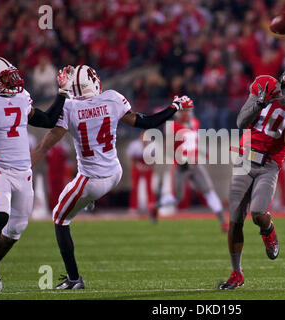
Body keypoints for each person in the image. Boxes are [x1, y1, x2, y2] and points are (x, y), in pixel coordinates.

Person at [30, 64, 194, 290]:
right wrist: (174, 106)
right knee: (81, 195)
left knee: (59, 218)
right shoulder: (112, 99)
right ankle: (88, 201)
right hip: (115, 173)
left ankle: (74, 279)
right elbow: (147, 122)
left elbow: (45, 143)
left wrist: (24, 166)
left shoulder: (68, 107)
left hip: (90, 179)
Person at [219, 62, 285, 289]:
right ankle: (236, 273)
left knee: (257, 213)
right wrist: (260, 102)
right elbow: (241, 122)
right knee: (235, 220)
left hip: (269, 165)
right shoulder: (266, 85)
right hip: (245, 159)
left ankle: (268, 230)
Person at [0, 56, 68, 294]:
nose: (12, 83)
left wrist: (63, 93)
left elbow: (46, 120)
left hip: (23, 171)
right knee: (0, 217)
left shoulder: (21, 97)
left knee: (16, 229)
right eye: (5, 79)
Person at [150, 108, 229, 232]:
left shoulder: (195, 122)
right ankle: (156, 206)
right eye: (183, 111)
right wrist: (180, 159)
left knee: (208, 190)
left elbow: (192, 143)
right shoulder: (172, 126)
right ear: (178, 113)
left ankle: (223, 221)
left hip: (195, 164)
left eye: (188, 110)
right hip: (182, 166)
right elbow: (168, 148)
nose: (186, 113)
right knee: (177, 197)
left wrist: (202, 153)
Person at [127, 131, 156, 212]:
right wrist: (138, 166)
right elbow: (131, 157)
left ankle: (150, 205)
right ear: (140, 136)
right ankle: (133, 207)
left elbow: (155, 158)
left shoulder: (152, 145)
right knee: (135, 187)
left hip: (148, 166)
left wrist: (149, 166)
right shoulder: (134, 145)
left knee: (149, 187)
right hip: (137, 166)